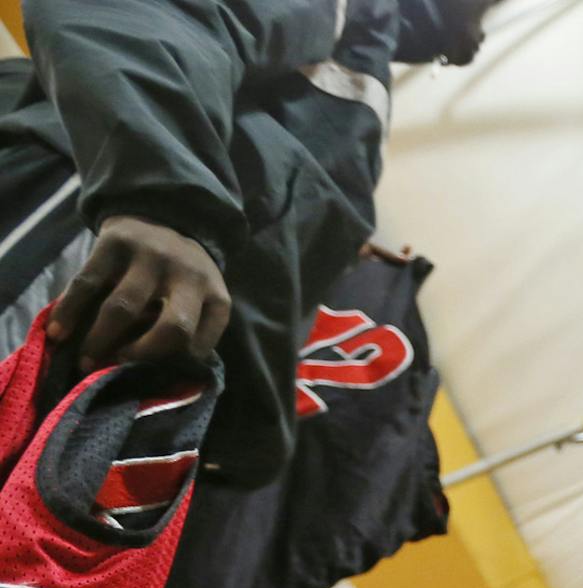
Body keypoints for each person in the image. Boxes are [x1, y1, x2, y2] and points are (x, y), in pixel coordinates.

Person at [0, 0, 498, 477]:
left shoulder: (365, 50)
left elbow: (277, 225)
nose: (486, 22)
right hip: (92, 237)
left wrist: (248, 426)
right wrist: (165, 204)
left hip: (129, 321)